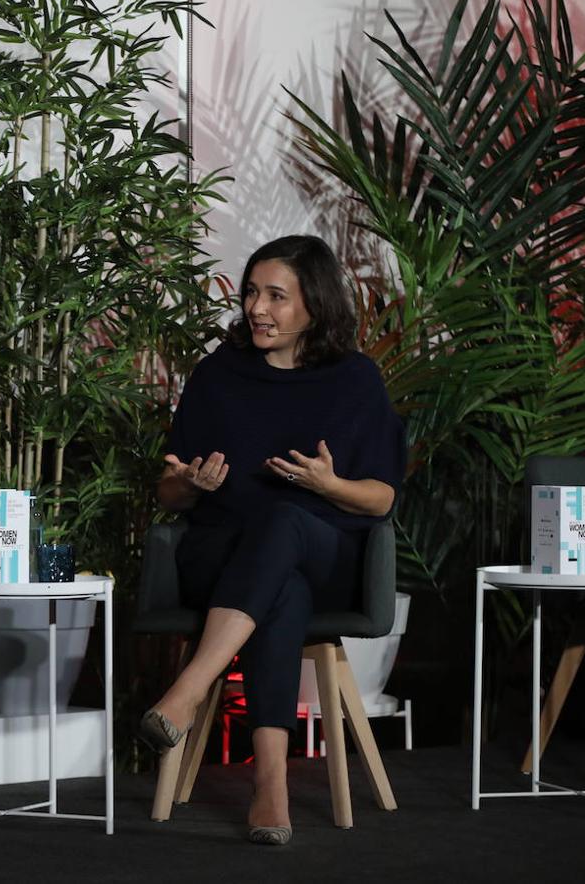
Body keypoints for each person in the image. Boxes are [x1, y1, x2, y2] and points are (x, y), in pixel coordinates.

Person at [140, 235, 406, 846]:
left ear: (314, 305)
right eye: (253, 292)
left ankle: (186, 691)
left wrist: (329, 483)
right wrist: (188, 484)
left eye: (276, 296)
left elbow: (384, 498)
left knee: (286, 522)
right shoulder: (217, 375)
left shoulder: (354, 380)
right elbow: (170, 496)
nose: (257, 308)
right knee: (279, 590)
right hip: (223, 554)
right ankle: (271, 787)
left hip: (325, 552)